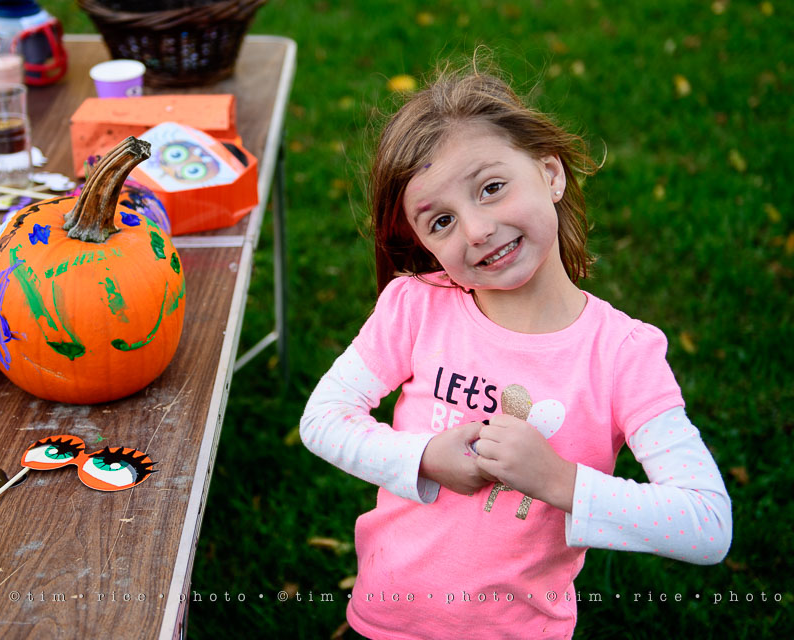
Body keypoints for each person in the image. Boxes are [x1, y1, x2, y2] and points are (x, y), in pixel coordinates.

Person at [299, 54, 732, 640]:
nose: (476, 229)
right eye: (441, 222)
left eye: (492, 188)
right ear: (423, 243)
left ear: (550, 174)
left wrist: (556, 479)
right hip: (388, 619)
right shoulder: (416, 308)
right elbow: (322, 419)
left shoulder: (622, 354)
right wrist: (423, 457)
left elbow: (705, 524)